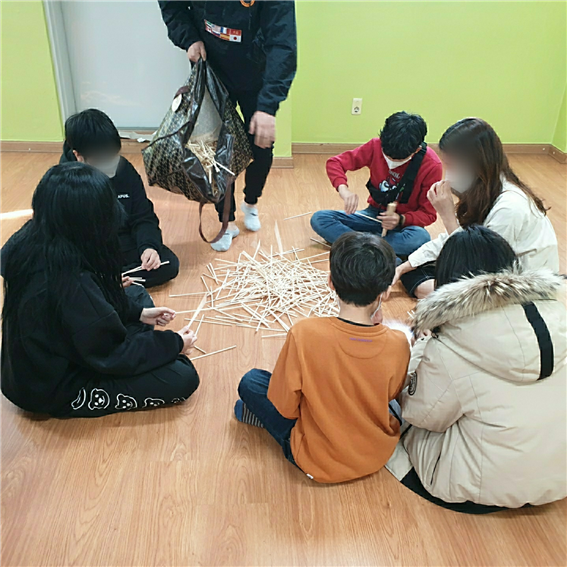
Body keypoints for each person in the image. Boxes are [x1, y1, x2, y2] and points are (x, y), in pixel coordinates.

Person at [388, 226, 566, 513]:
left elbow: (418, 413)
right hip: (560, 475)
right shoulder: (559, 313)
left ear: (446, 280)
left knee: (396, 415)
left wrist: (422, 346)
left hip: (485, 486)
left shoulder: (451, 343)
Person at [1, 163, 200, 418]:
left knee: (137, 296)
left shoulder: (32, 237)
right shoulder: (71, 286)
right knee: (181, 376)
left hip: (34, 367)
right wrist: (174, 343)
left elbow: (88, 303)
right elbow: (112, 355)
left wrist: (137, 313)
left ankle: (136, 324)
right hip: (54, 389)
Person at [234, 232, 410, 483]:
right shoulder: (399, 342)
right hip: (377, 453)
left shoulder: (304, 334)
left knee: (251, 382)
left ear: (330, 282)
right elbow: (390, 395)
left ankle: (261, 418)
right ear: (386, 292)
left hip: (316, 460)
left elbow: (286, 407)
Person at [159, 0, 297, 252]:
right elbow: (171, 6)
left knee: (261, 148)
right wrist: (189, 38)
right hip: (211, 66)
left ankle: (251, 202)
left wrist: (268, 106)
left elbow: (283, 43)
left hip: (257, 70)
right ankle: (227, 220)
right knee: (215, 150)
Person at [394, 118, 559, 299]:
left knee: (420, 277)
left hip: (516, 288)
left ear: (475, 163)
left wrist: (447, 215)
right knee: (415, 269)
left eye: (452, 166)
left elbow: (478, 265)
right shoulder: (487, 189)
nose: (448, 175)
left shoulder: (509, 207)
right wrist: (403, 267)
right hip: (489, 266)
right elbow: (456, 238)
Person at [60, 108, 180, 288]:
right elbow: (63, 242)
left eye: (113, 155)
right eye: (101, 159)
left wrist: (149, 247)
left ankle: (105, 286)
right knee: (67, 276)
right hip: (88, 251)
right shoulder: (63, 183)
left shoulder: (124, 170)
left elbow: (143, 216)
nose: (110, 164)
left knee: (168, 264)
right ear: (79, 156)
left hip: (122, 243)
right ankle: (104, 284)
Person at [310, 112, 443, 258]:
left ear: (416, 150)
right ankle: (376, 247)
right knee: (320, 219)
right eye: (387, 155)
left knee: (420, 238)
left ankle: (359, 244)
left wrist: (400, 219)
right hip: (373, 215)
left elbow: (428, 214)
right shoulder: (375, 145)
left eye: (398, 160)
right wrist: (344, 190)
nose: (391, 162)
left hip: (403, 225)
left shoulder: (431, 165)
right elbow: (335, 163)